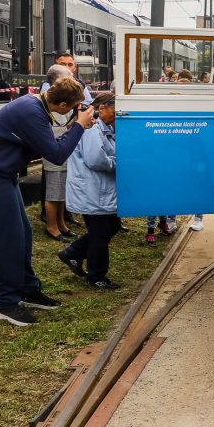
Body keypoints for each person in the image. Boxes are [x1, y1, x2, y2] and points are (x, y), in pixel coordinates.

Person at [0, 77, 96, 326]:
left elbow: (47, 143)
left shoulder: (37, 105)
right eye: (78, 105)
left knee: (22, 234)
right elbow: (56, 155)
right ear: (64, 104)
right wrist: (79, 126)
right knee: (7, 239)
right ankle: (3, 303)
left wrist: (73, 126)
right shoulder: (31, 111)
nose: (80, 110)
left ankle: (26, 289)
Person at [60, 92, 120, 289]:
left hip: (97, 190)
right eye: (115, 109)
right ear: (101, 108)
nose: (118, 114)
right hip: (93, 191)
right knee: (100, 235)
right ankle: (96, 277)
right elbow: (95, 160)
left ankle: (73, 253)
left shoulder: (102, 128)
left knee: (111, 227)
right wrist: (120, 162)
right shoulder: (92, 130)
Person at [41, 65, 77, 242]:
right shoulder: (47, 101)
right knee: (54, 193)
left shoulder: (61, 99)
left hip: (63, 148)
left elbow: (62, 125)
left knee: (62, 191)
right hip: (54, 150)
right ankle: (52, 227)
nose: (72, 81)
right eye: (68, 78)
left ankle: (61, 224)